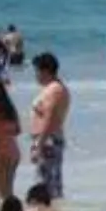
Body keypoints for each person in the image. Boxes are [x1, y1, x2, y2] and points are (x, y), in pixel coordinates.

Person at [30, 53, 70, 201]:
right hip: (48, 140)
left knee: (46, 188)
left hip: (48, 141)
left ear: (45, 71)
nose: (36, 75)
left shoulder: (54, 90)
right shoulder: (54, 88)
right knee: (49, 185)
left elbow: (49, 118)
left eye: (37, 71)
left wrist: (39, 145)